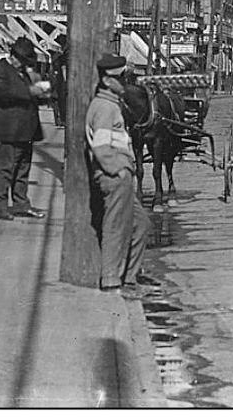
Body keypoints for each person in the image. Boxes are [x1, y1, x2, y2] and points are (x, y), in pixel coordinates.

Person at [86, 54, 154, 291]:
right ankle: (111, 279)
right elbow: (102, 149)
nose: (125, 83)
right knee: (115, 227)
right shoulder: (105, 108)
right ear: (107, 81)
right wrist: (121, 171)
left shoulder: (112, 104)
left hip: (121, 175)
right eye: (121, 78)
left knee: (142, 224)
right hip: (114, 176)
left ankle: (130, 276)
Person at [0, 37, 45, 221]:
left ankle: (21, 203)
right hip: (8, 130)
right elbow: (4, 94)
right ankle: (1, 205)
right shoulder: (0, 71)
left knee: (22, 169)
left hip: (25, 130)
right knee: (4, 169)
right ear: (15, 57)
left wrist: (41, 90)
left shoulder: (23, 74)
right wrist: (31, 92)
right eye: (24, 60)